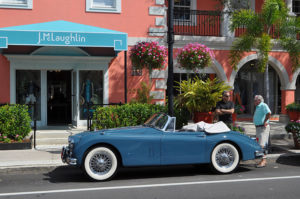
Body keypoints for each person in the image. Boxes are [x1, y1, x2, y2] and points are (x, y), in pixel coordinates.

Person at [253, 95, 271, 168]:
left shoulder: (263, 105)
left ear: (259, 100)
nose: (254, 102)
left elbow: (269, 113)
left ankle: (263, 161)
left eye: (255, 100)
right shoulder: (258, 106)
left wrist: (265, 121)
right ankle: (263, 160)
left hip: (262, 127)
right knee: (260, 144)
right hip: (259, 127)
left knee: (262, 144)